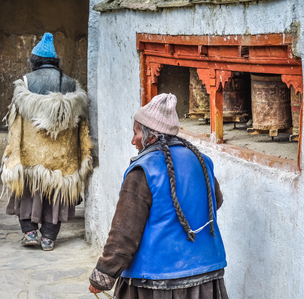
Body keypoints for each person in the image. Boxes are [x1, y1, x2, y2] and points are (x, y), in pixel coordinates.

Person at [88, 93, 228, 298]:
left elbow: (125, 232)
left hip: (156, 279)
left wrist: (103, 275)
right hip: (206, 271)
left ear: (151, 136)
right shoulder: (201, 160)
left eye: (136, 133)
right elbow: (216, 201)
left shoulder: (143, 171)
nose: (133, 140)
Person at [0, 32, 93, 251]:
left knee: (27, 189)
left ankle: (30, 232)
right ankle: (48, 238)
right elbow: (82, 125)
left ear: (35, 61)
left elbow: (16, 121)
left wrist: (12, 151)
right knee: (58, 193)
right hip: (61, 157)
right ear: (54, 61)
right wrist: (83, 153)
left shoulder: (25, 83)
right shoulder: (71, 85)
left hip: (31, 155)